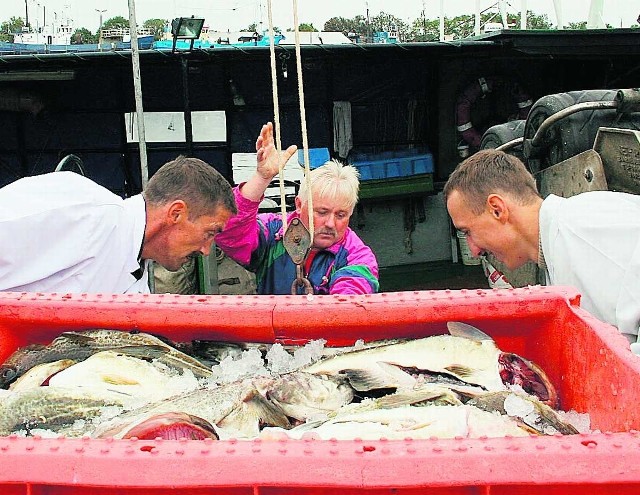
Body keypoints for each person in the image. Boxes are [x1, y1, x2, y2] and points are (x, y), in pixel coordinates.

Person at [443, 148, 640, 345]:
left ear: (497, 209)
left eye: (467, 231)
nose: (473, 251)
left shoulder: (586, 231)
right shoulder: (559, 244)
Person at [0, 155, 236, 294]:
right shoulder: (83, 210)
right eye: (209, 233)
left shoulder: (138, 283)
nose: (206, 250)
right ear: (176, 213)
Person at [215, 122, 379, 295]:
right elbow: (226, 228)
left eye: (341, 215)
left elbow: (349, 304)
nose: (331, 223)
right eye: (322, 212)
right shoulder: (274, 233)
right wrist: (262, 178)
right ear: (299, 205)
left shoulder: (358, 258)